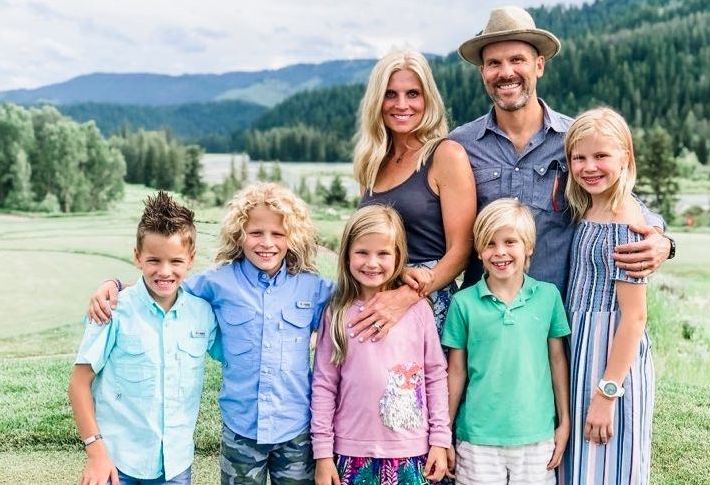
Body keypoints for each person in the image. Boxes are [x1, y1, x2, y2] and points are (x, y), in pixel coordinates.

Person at [87, 183, 334, 485]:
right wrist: (114, 285)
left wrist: (403, 279)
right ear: (239, 234)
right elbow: (164, 288)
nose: (266, 243)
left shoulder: (313, 287)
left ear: (292, 237)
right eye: (256, 233)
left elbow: (358, 297)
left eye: (278, 234)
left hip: (296, 430)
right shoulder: (218, 282)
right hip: (241, 431)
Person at [450, 6, 674, 296]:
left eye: (517, 60)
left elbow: (623, 199)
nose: (506, 72)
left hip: (556, 325)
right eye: (494, 63)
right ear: (483, 72)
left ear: (539, 65)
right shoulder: (459, 146)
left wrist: (661, 240)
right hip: (483, 324)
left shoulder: (576, 141)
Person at [69, 191, 217, 484]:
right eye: (154, 260)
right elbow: (78, 384)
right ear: (137, 257)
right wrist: (96, 451)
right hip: (116, 462)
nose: (165, 271)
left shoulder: (203, 313)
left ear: (191, 259)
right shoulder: (113, 310)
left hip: (175, 467)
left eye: (176, 260)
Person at [311, 205, 451, 485]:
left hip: (412, 452)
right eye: (362, 252)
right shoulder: (337, 312)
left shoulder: (419, 310)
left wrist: (440, 440)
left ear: (399, 257)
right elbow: (324, 384)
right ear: (347, 254)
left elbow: (435, 376)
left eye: (383, 253)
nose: (372, 263)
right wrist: (323, 454)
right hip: (351, 452)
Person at [442, 198, 570, 484]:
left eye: (510, 242)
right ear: (478, 251)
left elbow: (557, 361)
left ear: (529, 247)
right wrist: (444, 433)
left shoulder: (548, 297)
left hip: (536, 436)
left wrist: (564, 422)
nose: (499, 252)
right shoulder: (463, 303)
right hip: (477, 439)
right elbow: (456, 371)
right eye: (489, 244)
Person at [352, 49, 477, 341]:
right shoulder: (371, 163)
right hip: (377, 299)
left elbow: (461, 251)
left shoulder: (446, 155)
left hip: (427, 302)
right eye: (391, 94)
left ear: (427, 99)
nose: (402, 105)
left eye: (412, 94)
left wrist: (406, 295)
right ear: (377, 101)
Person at [559, 108, 654, 484]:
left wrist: (607, 393)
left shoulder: (625, 221)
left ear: (625, 157)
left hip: (609, 360)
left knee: (607, 468)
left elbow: (634, 318)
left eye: (601, 156)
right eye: (578, 158)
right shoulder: (590, 207)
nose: (588, 167)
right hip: (582, 352)